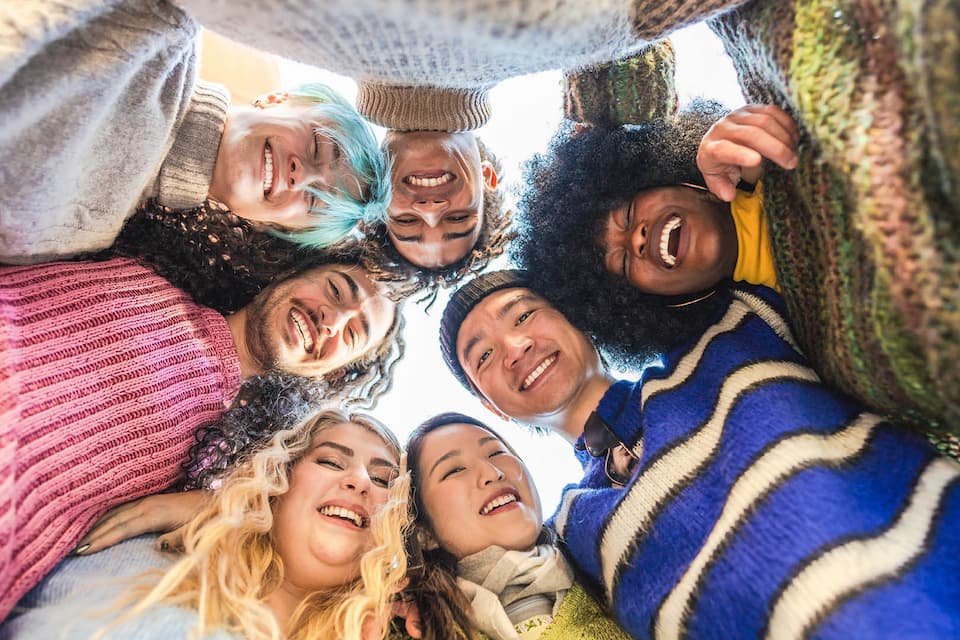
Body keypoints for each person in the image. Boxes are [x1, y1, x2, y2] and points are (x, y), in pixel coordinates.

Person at [437, 269, 960, 639]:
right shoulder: (569, 537)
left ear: (578, 313)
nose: (513, 347)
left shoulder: (730, 333)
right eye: (483, 355)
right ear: (496, 410)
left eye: (524, 314)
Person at [0, 252, 402, 618]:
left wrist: (208, 505)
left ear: (330, 373)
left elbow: (298, 517)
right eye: (334, 290)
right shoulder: (142, 260)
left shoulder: (219, 454)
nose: (331, 320)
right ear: (293, 270)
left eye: (351, 336)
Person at [1, 0, 389, 264]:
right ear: (277, 98)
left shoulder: (90, 241)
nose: (301, 174)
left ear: (268, 225)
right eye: (320, 146)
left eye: (314, 202)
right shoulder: (167, 25)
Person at [1, 410, 411, 639]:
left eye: (382, 480)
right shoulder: (156, 566)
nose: (358, 480)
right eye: (330, 461)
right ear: (274, 486)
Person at [512, 101, 799, 369]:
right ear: (667, 303)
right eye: (623, 263)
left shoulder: (756, 151)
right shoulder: (777, 345)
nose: (636, 240)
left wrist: (774, 159)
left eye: (626, 216)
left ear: (668, 174)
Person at [404, 412, 630, 640]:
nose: (492, 473)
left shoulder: (616, 559)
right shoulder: (409, 627)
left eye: (497, 453)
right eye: (455, 470)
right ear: (424, 533)